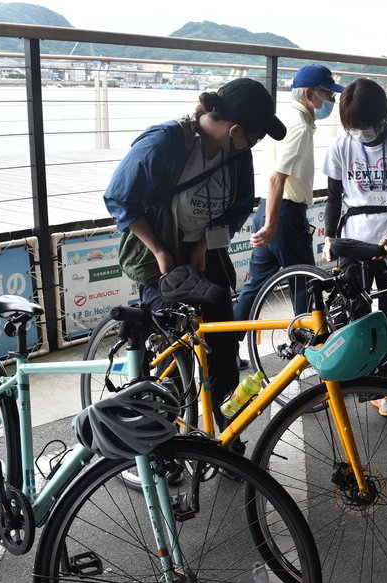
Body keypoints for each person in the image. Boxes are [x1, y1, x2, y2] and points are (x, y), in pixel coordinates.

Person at [105, 77, 285, 426]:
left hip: (206, 254)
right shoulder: (165, 142)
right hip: (160, 256)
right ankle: (163, 441)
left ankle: (228, 432)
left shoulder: (236, 155)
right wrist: (158, 250)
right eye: (254, 137)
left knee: (222, 346)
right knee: (173, 353)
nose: (254, 144)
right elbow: (119, 198)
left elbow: (241, 205)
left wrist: (204, 244)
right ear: (234, 130)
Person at [322, 78, 387, 417]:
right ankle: (358, 381)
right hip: (354, 240)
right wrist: (328, 238)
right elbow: (334, 195)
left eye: (366, 125)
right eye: (353, 127)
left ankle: (386, 386)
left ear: (383, 116)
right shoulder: (341, 146)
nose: (361, 133)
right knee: (355, 314)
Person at [233, 65, 344, 365]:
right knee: (306, 286)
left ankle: (224, 351)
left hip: (271, 212)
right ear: (309, 94)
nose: (330, 102)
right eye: (326, 95)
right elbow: (276, 178)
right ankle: (308, 354)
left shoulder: (295, 121)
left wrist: (267, 221)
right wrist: (271, 224)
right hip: (283, 215)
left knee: (254, 288)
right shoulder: (297, 126)